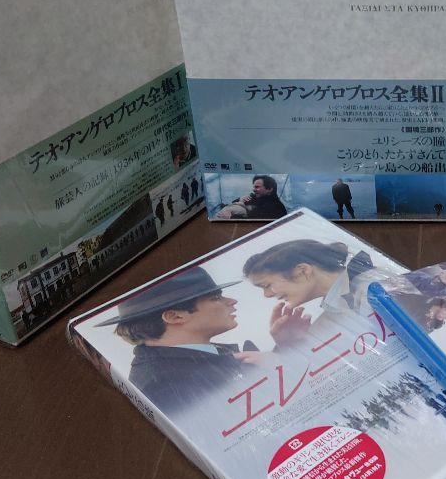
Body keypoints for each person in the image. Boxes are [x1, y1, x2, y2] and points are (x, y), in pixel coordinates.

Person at [101, 267, 259, 415]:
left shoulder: (187, 363)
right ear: (174, 316)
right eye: (216, 298)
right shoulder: (161, 388)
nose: (232, 301)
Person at [243, 237, 392, 347]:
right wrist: (292, 344)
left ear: (302, 271)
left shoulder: (375, 287)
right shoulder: (332, 313)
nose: (267, 295)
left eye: (267, 285)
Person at [216, 175, 288, 220]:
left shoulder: (274, 206)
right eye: (254, 187)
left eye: (257, 187)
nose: (253, 189)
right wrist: (241, 199)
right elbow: (233, 203)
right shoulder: (257, 197)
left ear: (269, 189)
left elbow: (248, 219)